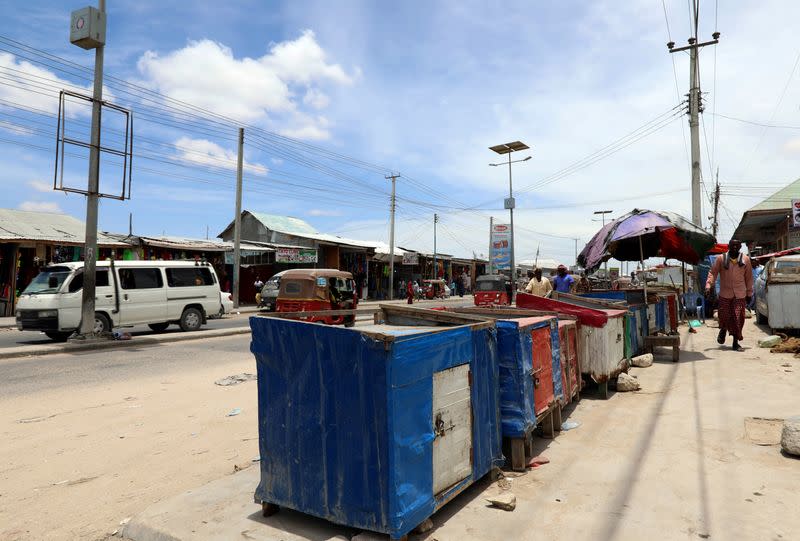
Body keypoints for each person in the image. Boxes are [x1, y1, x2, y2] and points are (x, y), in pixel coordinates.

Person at [705, 239, 753, 351]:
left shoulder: (745, 259)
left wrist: (749, 292)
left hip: (740, 294)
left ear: (740, 247)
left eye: (737, 245)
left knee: (737, 318)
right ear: (729, 246)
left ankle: (735, 342)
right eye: (733, 245)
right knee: (725, 316)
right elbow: (713, 273)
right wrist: (708, 286)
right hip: (725, 294)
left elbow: (749, 278)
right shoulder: (721, 259)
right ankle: (723, 329)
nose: (735, 247)